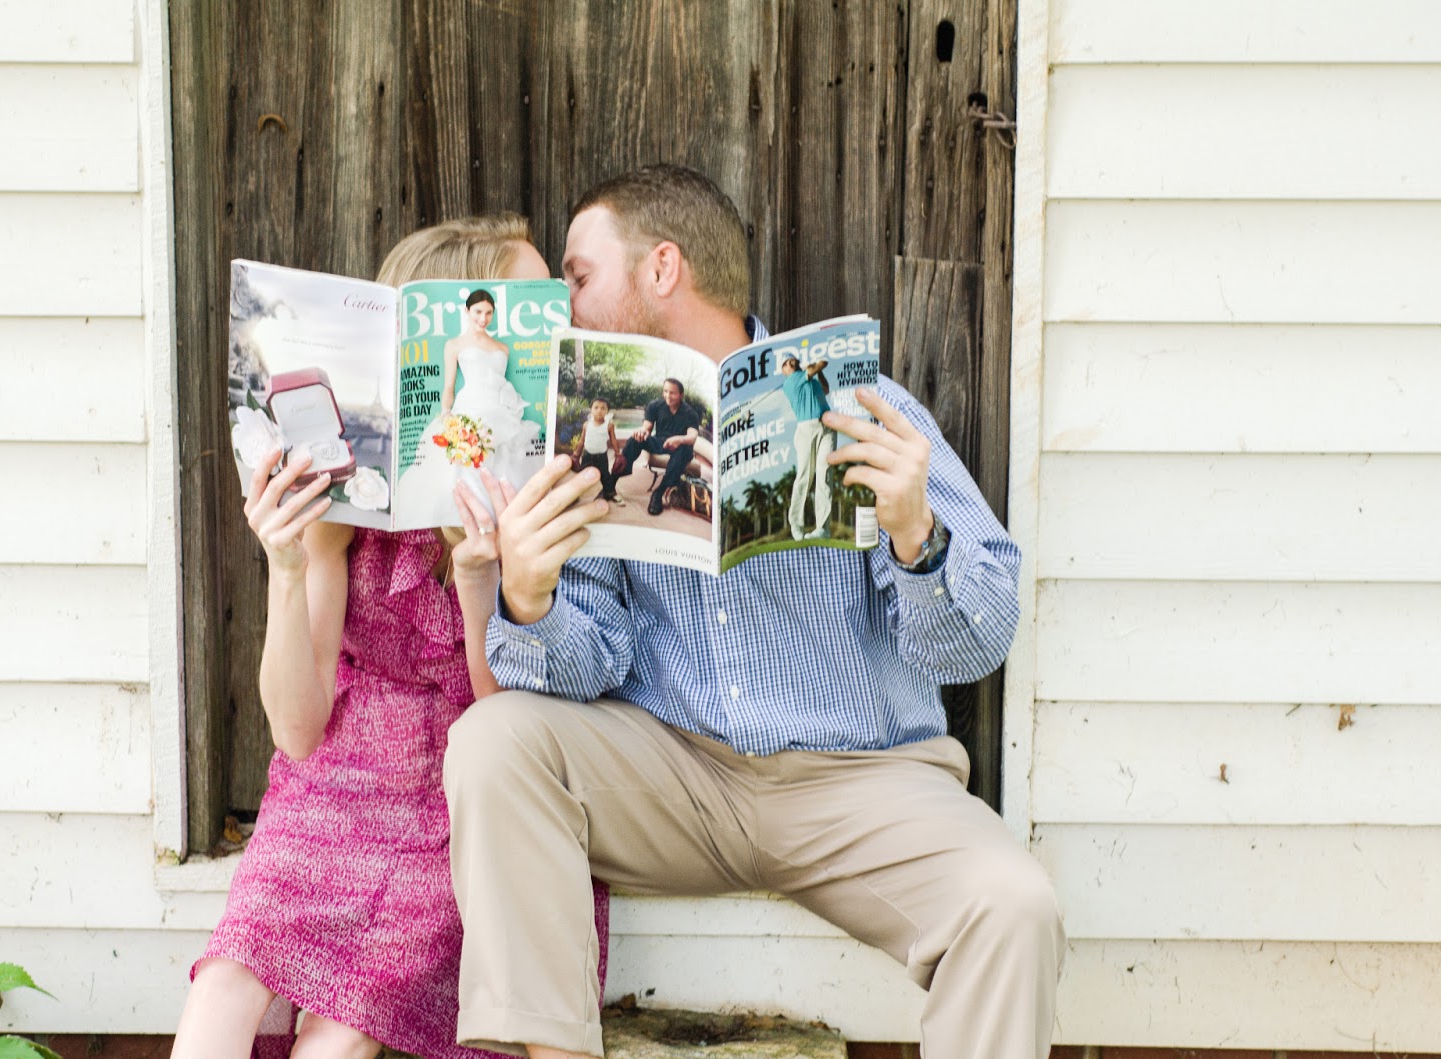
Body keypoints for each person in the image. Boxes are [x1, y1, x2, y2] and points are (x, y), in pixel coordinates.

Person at [443, 165, 1063, 1059]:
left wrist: (916, 533)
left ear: (662, 268)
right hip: (677, 777)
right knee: (495, 740)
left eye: (579, 276)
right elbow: (591, 663)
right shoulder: (584, 433)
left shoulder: (865, 408)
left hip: (861, 786)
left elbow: (979, 640)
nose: (564, 307)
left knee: (1015, 905)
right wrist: (530, 600)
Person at [172, 214, 608, 1059]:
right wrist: (289, 564)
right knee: (230, 971)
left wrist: (478, 580)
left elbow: (505, 720)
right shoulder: (351, 508)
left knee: (347, 1020)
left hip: (460, 795)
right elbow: (298, 730)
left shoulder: (537, 493)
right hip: (336, 776)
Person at [398, 288, 542, 526]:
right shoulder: (454, 345)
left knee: (506, 460)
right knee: (460, 464)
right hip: (470, 405)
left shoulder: (502, 348)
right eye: (478, 312)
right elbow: (449, 386)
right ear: (467, 311)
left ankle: (501, 517)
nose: (483, 318)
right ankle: (465, 519)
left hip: (499, 409)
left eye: (488, 313)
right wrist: (446, 413)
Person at [617, 377, 701, 515]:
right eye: (665, 391)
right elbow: (647, 428)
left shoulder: (690, 413)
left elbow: (692, 437)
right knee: (635, 439)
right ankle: (614, 478)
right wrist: (642, 432)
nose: (668, 396)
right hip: (660, 442)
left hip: (680, 447)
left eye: (672, 393)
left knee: (683, 450)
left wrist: (679, 439)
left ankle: (658, 493)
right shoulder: (655, 405)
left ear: (681, 395)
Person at [780, 352, 833, 539]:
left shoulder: (809, 379)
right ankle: (796, 525)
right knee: (804, 477)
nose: (789, 363)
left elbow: (826, 389)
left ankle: (823, 529)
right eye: (786, 363)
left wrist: (818, 373)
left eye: (791, 360)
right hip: (806, 430)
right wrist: (814, 368)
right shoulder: (791, 382)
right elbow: (822, 363)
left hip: (827, 427)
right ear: (785, 368)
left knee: (824, 476)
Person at [572, 396, 622, 504]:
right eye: (596, 407)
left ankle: (611, 493)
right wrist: (576, 454)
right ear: (591, 410)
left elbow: (613, 440)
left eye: (603, 408)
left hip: (601, 456)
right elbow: (582, 440)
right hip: (587, 455)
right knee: (581, 474)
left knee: (605, 476)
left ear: (607, 411)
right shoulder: (586, 425)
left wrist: (618, 454)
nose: (599, 410)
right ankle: (575, 494)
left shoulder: (609, 426)